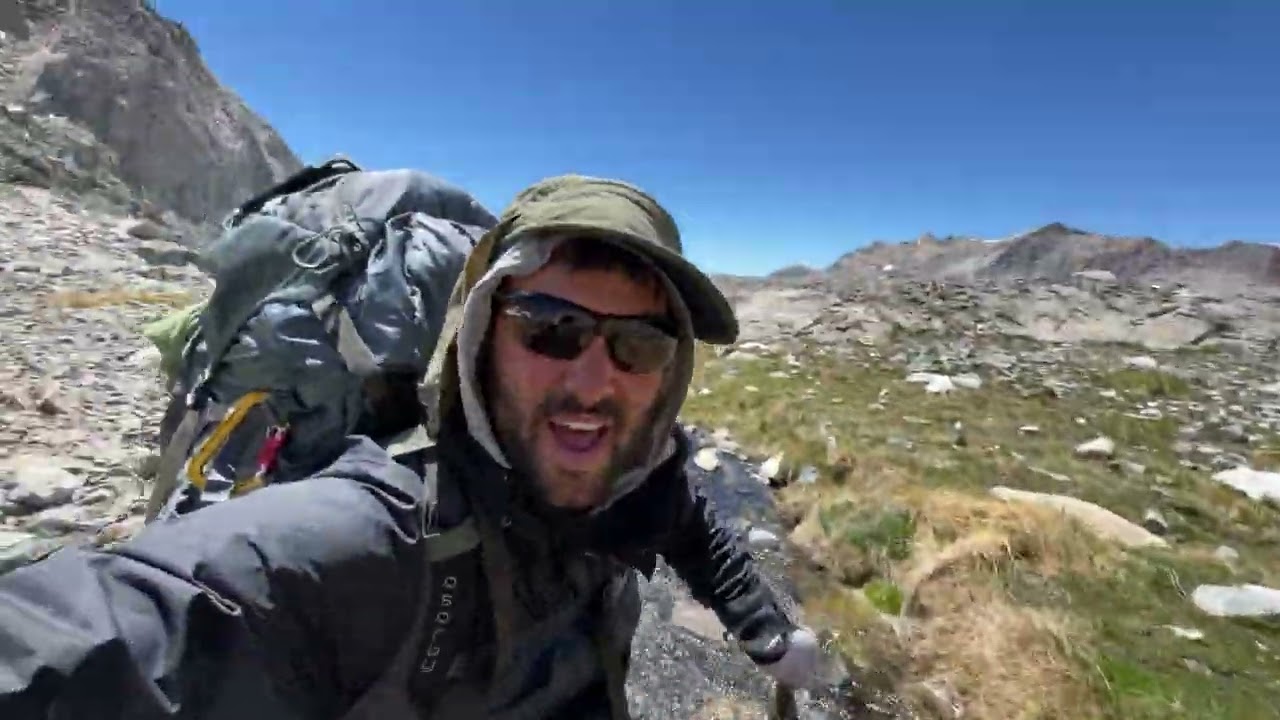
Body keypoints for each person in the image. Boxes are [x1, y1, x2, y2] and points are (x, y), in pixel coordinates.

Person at [0, 174, 821, 718]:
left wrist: (767, 635)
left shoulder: (636, 471)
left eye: (639, 345)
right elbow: (117, 636)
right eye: (552, 330)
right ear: (476, 342)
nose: (595, 382)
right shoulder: (365, 533)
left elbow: (690, 524)